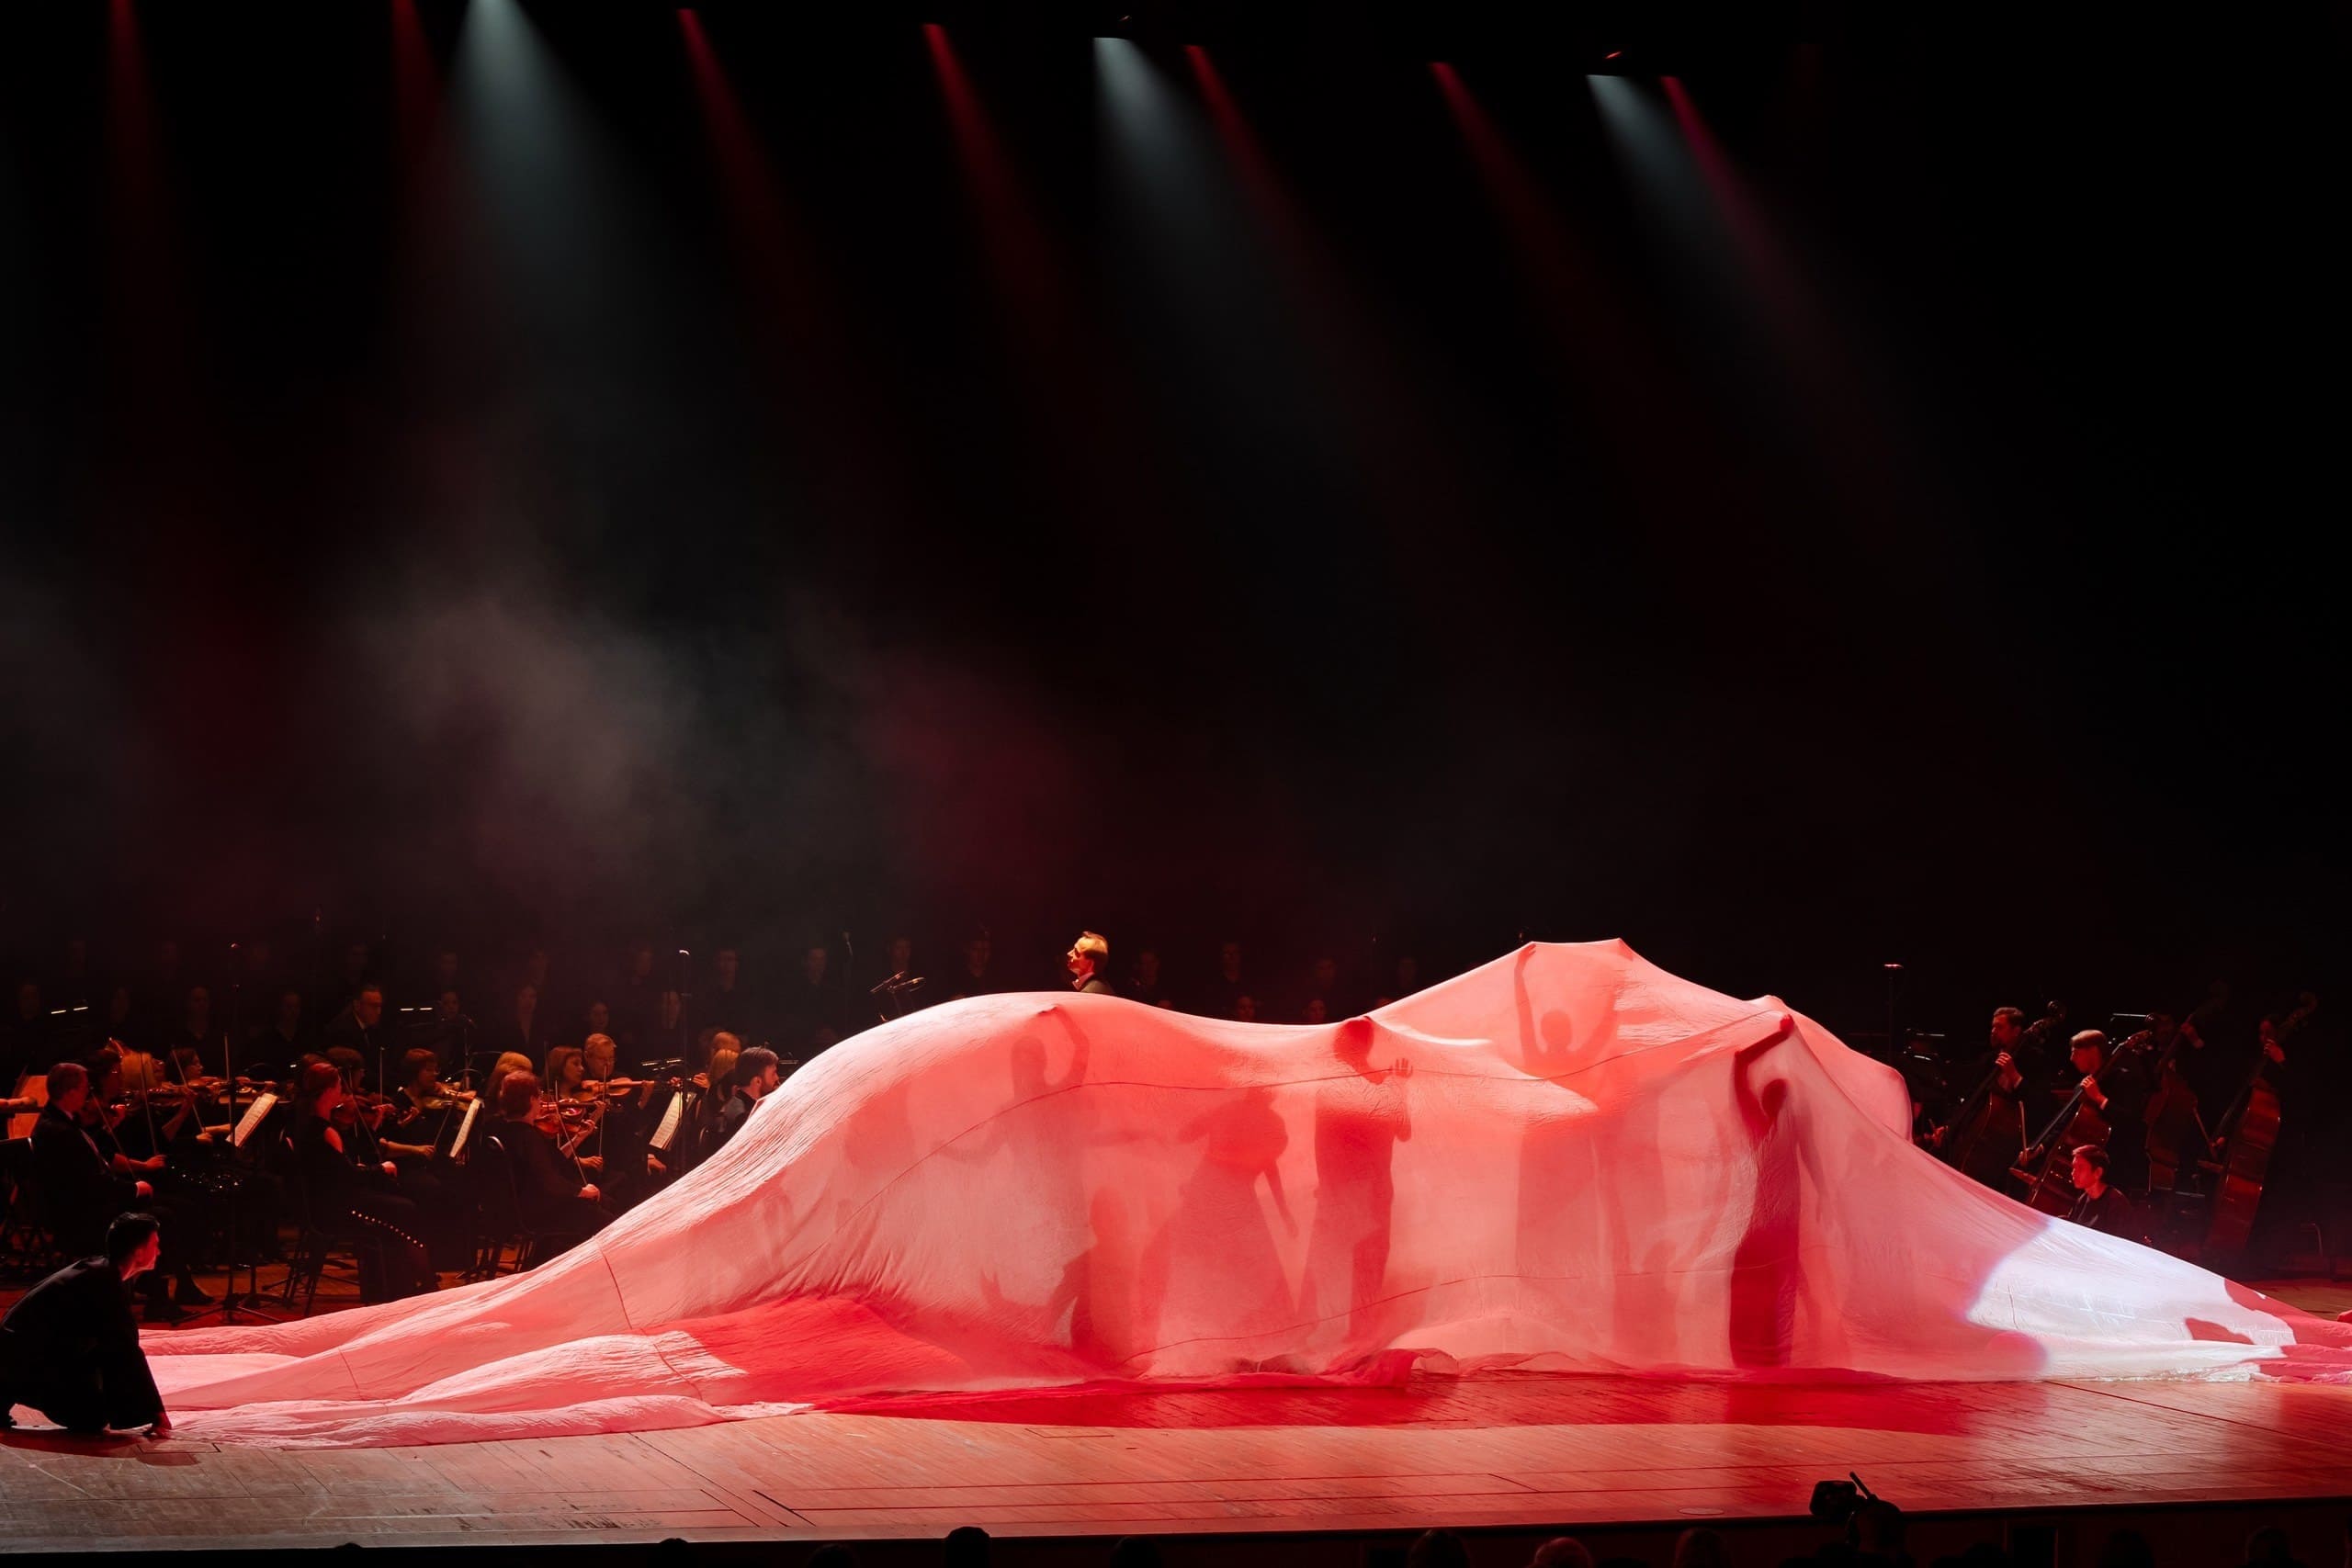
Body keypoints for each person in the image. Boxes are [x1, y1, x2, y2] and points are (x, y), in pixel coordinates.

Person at [0, 1212, 169, 1435]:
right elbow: (126, 1347)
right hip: (22, 1361)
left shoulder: (101, 1271)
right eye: (155, 1245)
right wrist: (157, 1413)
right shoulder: (102, 1281)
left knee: (107, 1367)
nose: (159, 1252)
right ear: (138, 1252)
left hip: (28, 1352)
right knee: (93, 1417)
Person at [287, 1059, 435, 1302]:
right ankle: (419, 1285)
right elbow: (348, 1178)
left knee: (400, 1206)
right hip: (336, 1209)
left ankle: (403, 1284)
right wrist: (381, 1168)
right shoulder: (324, 1131)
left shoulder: (309, 1123)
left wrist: (372, 1134)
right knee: (405, 1209)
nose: (344, 1092)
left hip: (326, 1201)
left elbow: (339, 1171)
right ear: (328, 1091)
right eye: (339, 1087)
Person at [492, 1070, 612, 1249]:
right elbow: (550, 1182)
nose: (542, 1101)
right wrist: (582, 1191)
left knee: (601, 1204)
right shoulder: (528, 1136)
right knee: (606, 1215)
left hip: (513, 1210)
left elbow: (552, 1161)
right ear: (531, 1099)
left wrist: (578, 1138)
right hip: (537, 1213)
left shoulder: (502, 1129)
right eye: (539, 1096)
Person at [712, 1046, 782, 1154]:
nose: (777, 1078)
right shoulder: (744, 1117)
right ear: (757, 1081)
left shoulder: (735, 1103)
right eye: (773, 1073)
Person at [2065, 1145, 2134, 1235]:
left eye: (2080, 1168)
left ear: (2098, 1172)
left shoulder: (2116, 1203)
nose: (2073, 1173)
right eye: (2074, 1167)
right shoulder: (2082, 1199)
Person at [1066, 931, 1113, 996]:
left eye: (1076, 952)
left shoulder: (1089, 993)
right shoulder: (1098, 986)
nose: (1069, 953)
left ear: (1090, 963)